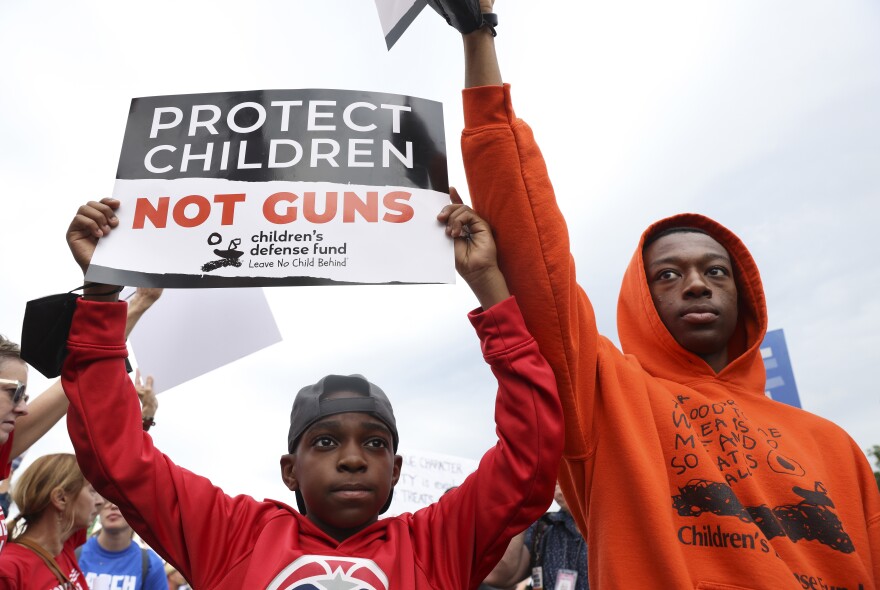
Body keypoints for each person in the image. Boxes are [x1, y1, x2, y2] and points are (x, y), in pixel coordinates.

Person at [433, 1, 880, 586]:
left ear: (744, 293)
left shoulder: (837, 448)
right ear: (639, 299)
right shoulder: (611, 403)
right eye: (667, 275)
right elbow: (537, 261)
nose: (696, 282)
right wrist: (478, 36)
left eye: (716, 271)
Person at [59, 196, 563, 588]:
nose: (353, 459)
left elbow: (531, 454)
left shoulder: (435, 544)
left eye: (375, 443)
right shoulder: (234, 535)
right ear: (289, 469)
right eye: (324, 442)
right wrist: (103, 295)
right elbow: (116, 455)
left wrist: (487, 281)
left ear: (397, 471)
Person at [0, 288, 161, 553]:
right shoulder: (18, 568)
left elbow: (74, 380)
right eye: (14, 393)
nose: (24, 410)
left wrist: (139, 303)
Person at [76, 375, 166, 590]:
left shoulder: (150, 565)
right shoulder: (73, 551)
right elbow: (107, 462)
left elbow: (130, 471)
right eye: (106, 498)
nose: (112, 505)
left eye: (120, 500)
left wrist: (144, 419)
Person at [0, 453, 103, 589]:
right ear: (60, 498)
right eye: (92, 491)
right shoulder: (9, 569)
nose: (101, 501)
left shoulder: (64, 545)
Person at [484, 483, 587, 590]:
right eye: (556, 480)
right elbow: (497, 576)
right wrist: (520, 508)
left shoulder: (604, 528)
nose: (557, 486)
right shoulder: (544, 528)